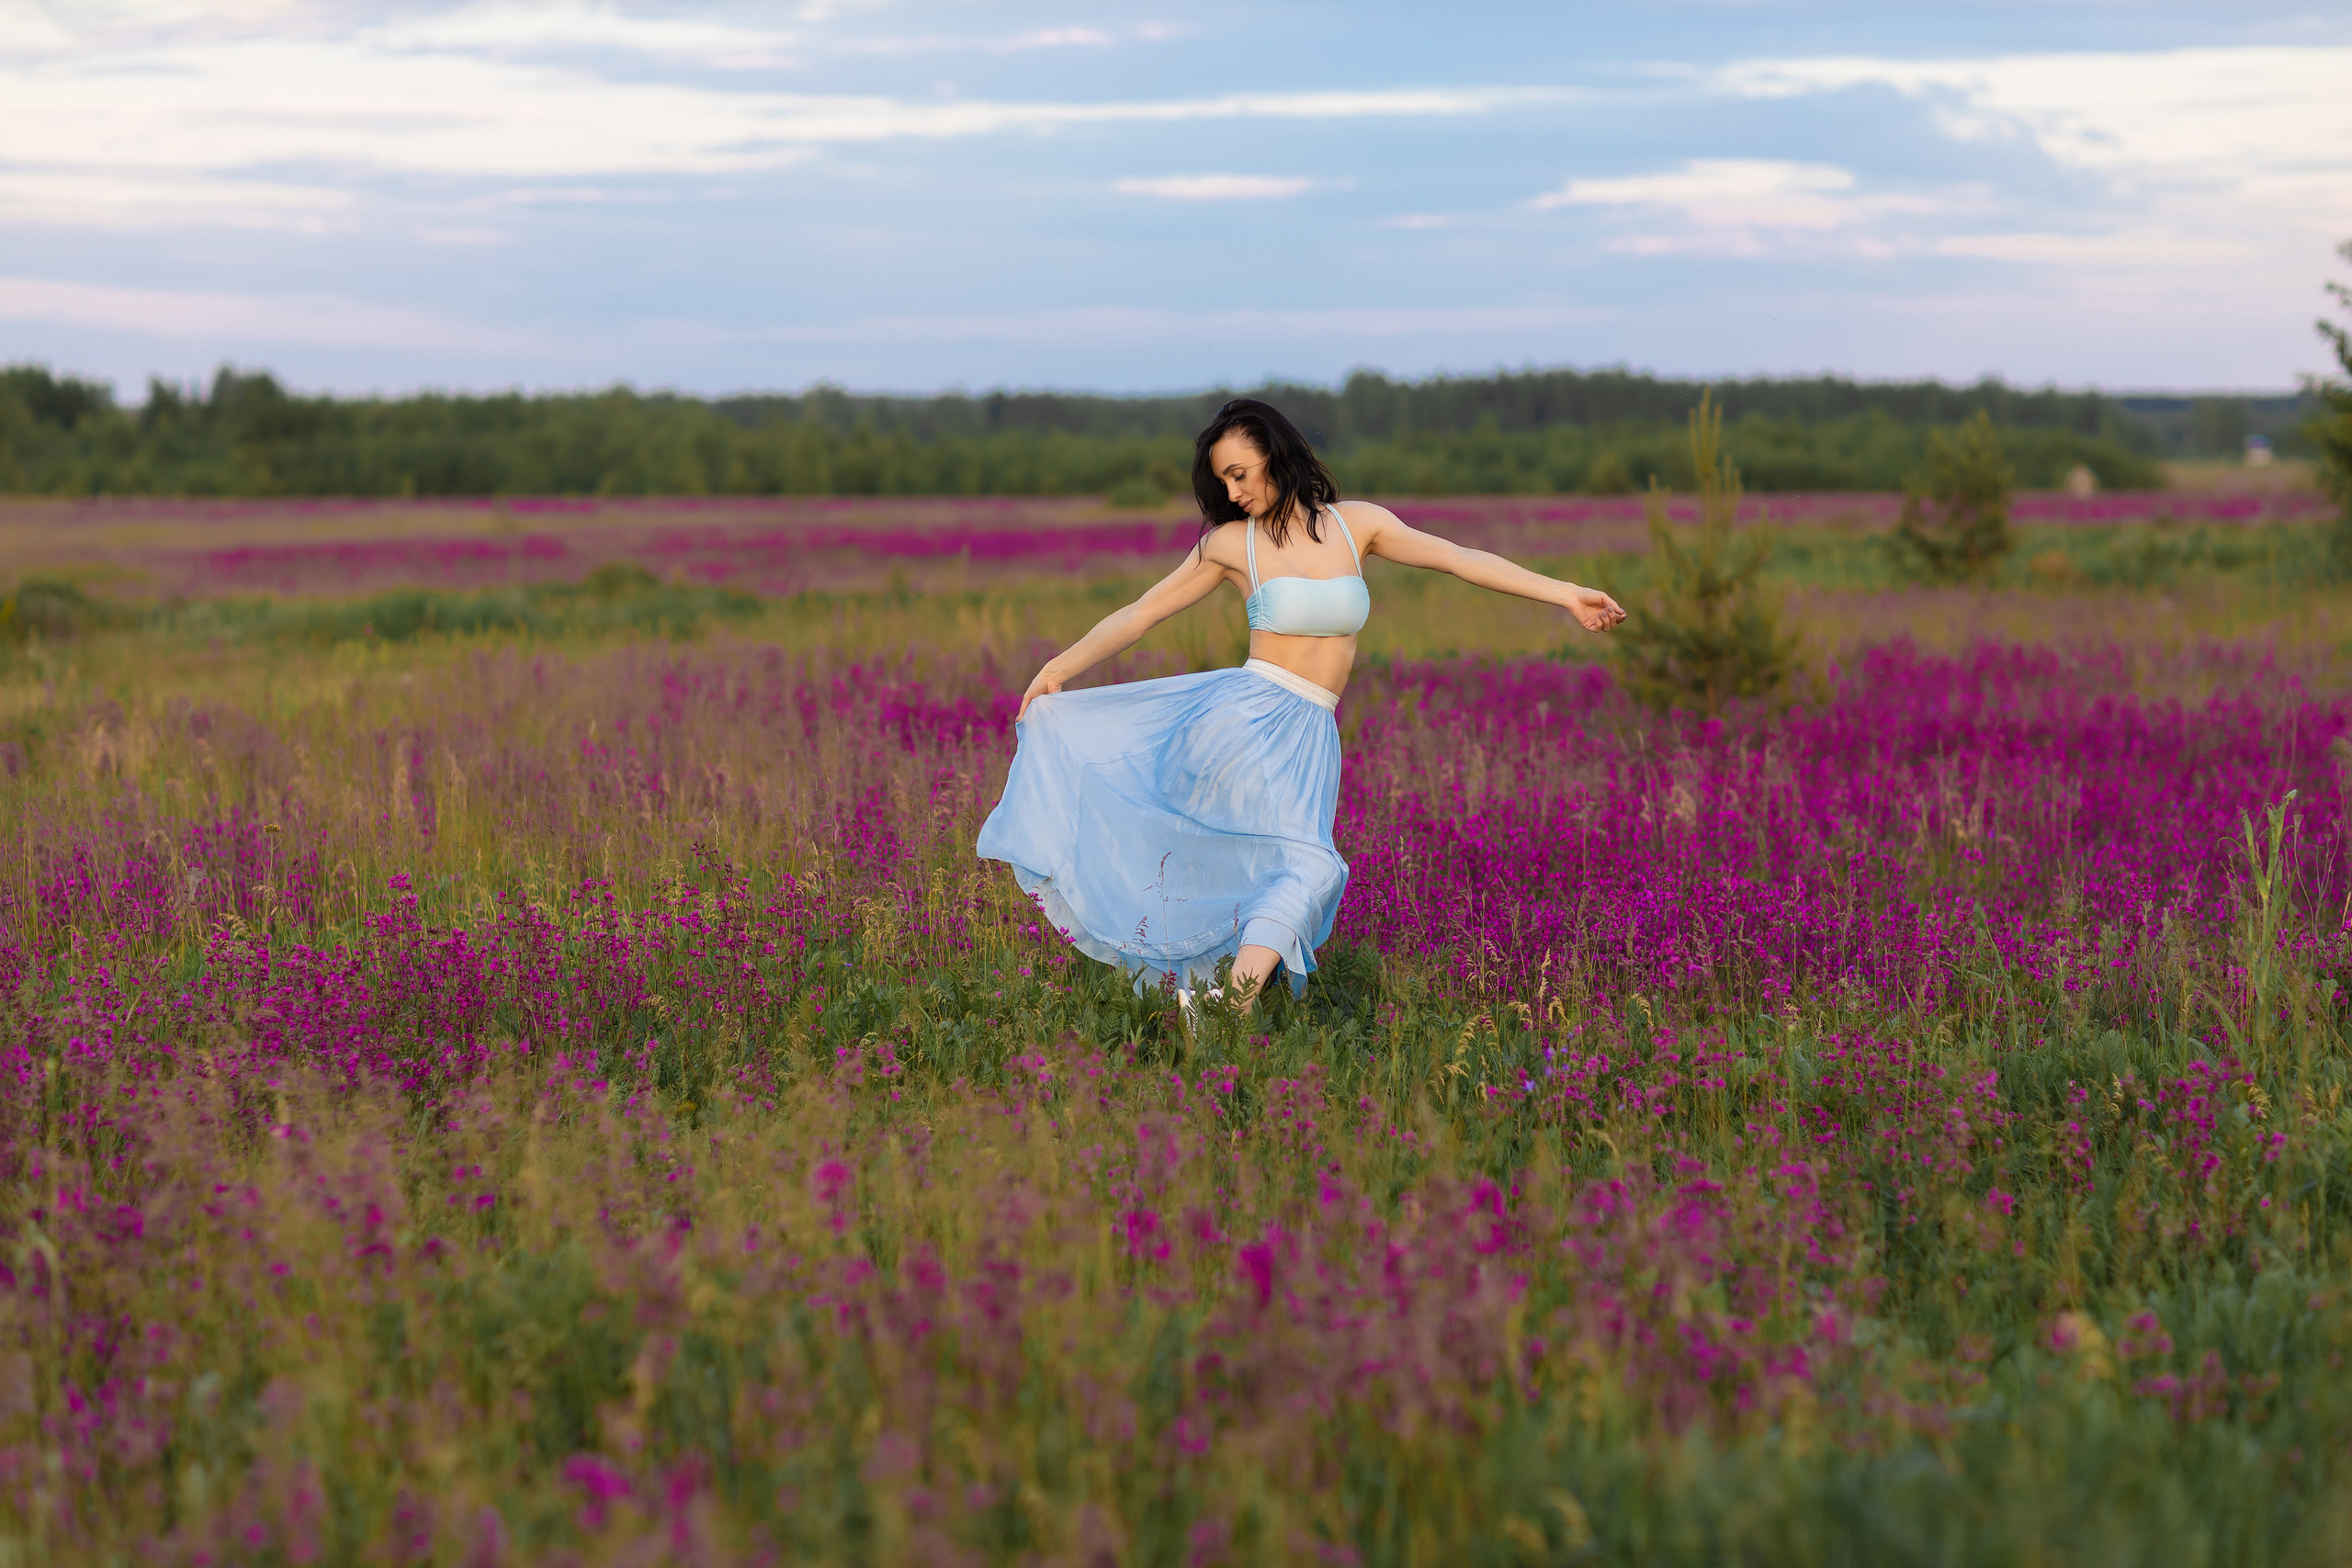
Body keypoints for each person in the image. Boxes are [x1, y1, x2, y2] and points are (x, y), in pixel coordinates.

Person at [977, 398, 1624, 1010]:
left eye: (1239, 473)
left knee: (1276, 872)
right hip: (1245, 719)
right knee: (1307, 867)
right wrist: (1057, 668)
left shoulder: (1357, 524)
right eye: (1222, 483)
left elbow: (1459, 559)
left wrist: (1566, 593)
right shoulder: (1234, 544)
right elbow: (1143, 612)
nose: (1232, 493)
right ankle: (1229, 1006)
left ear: (1275, 451)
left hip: (1312, 729)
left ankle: (1216, 1005)